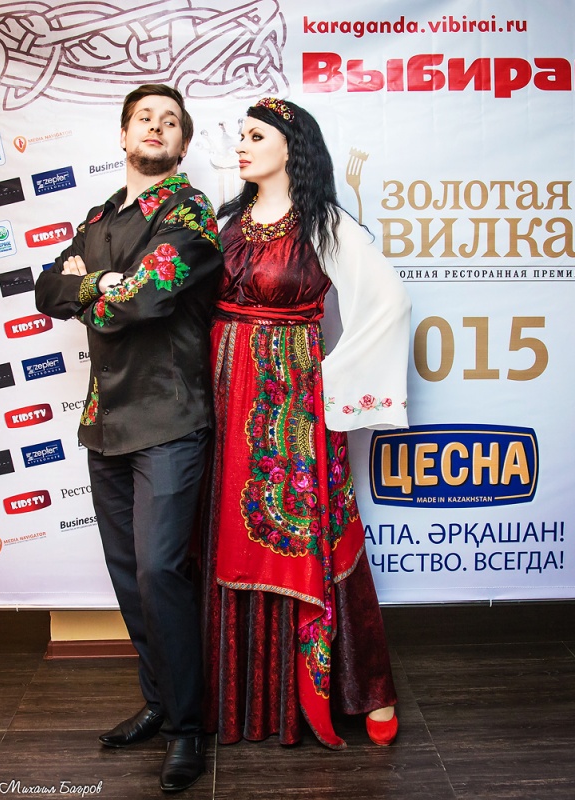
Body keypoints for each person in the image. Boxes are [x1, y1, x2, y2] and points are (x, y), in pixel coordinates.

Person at [199, 97, 411, 750]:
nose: (241, 145)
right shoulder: (224, 223)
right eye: (239, 135)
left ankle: (363, 686)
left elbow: (389, 302)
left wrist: (335, 381)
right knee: (222, 529)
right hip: (220, 396)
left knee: (311, 532)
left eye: (255, 136)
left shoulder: (326, 225)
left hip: (290, 401)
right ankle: (231, 696)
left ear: (292, 146)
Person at [35, 84, 223, 792]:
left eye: (170, 121)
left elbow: (145, 297)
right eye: (145, 117)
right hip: (105, 422)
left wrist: (95, 285)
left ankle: (187, 727)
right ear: (123, 135)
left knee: (158, 571)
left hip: (170, 418)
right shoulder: (96, 217)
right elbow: (46, 291)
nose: (156, 126)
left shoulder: (191, 212)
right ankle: (159, 702)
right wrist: (100, 284)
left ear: (182, 145)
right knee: (127, 575)